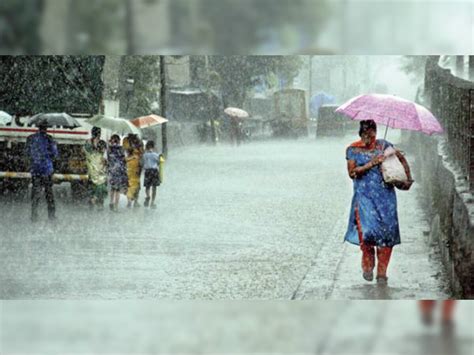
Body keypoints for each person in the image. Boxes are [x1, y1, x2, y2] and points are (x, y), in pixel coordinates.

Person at [345, 120, 413, 284]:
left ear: (376, 133)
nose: (370, 138)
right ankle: (368, 266)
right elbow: (352, 172)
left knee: (387, 235)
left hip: (385, 198)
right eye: (366, 135)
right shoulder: (353, 150)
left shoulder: (384, 145)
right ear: (360, 134)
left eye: (372, 134)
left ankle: (382, 273)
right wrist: (372, 163)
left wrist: (407, 176)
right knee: (368, 234)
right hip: (364, 198)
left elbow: (401, 159)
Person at [26, 119, 58, 222]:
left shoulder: (31, 138)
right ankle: (51, 215)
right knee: (49, 193)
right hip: (46, 170)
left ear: (38, 127)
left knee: (36, 192)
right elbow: (55, 154)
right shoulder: (49, 139)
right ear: (46, 128)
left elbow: (27, 152)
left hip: (35, 169)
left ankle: (34, 214)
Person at [84, 139, 108, 210]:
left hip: (92, 176)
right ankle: (96, 202)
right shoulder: (102, 157)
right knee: (101, 191)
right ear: (103, 148)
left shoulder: (92, 154)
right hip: (100, 178)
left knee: (93, 190)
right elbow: (103, 167)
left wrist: (88, 144)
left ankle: (93, 200)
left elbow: (86, 150)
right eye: (104, 148)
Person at [107, 134, 128, 212]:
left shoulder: (109, 149)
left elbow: (108, 160)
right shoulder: (121, 149)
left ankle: (111, 202)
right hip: (119, 172)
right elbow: (124, 160)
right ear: (119, 140)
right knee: (117, 190)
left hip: (112, 171)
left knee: (112, 188)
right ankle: (116, 206)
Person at [141, 140, 161, 209]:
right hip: (154, 171)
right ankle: (152, 202)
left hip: (147, 171)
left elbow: (142, 163)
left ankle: (148, 196)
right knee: (154, 187)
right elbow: (159, 162)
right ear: (153, 146)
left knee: (147, 186)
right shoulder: (155, 155)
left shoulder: (144, 155)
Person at [125, 134, 143, 208]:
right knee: (137, 186)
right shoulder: (139, 143)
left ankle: (129, 201)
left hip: (129, 168)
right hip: (137, 167)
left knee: (129, 185)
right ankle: (135, 201)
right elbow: (142, 153)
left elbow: (125, 151)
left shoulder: (126, 141)